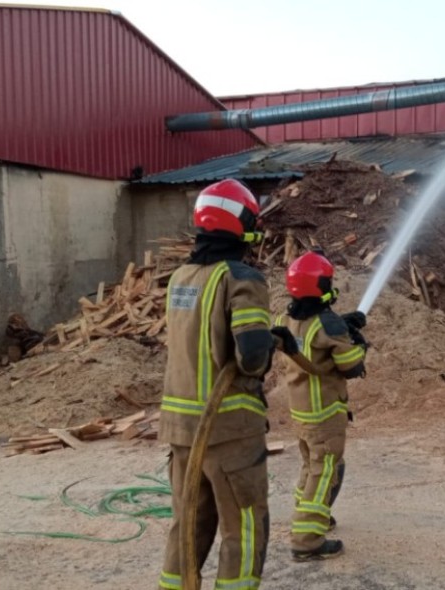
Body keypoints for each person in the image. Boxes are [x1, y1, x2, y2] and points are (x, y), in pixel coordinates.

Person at [157, 179, 273, 590]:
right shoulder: (242, 278)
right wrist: (271, 343)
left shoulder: (181, 278)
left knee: (188, 525)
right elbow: (253, 356)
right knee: (242, 526)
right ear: (241, 224)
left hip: (181, 432)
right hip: (228, 430)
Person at [271, 251, 368, 562]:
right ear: (322, 285)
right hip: (325, 412)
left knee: (310, 466)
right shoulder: (328, 324)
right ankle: (308, 540)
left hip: (300, 411)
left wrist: (343, 324)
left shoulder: (285, 319)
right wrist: (357, 341)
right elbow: (350, 366)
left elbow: (312, 343)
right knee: (325, 470)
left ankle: (310, 518)